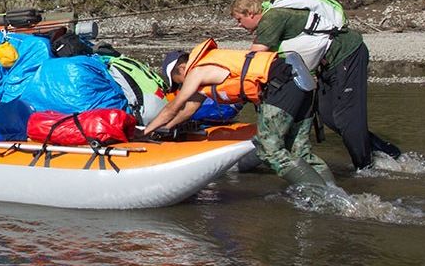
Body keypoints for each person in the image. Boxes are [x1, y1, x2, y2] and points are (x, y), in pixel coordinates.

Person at [231, 0, 401, 170]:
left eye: (239, 19)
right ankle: (387, 151)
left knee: (347, 117)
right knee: (328, 115)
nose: (239, 25)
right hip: (327, 64)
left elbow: (254, 59)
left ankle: (365, 168)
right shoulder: (272, 19)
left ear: (250, 13)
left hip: (347, 54)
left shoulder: (272, 18)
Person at [144, 39, 339, 191]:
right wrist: (167, 128)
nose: (179, 86)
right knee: (299, 150)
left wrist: (146, 132)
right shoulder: (207, 69)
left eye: (177, 82)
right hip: (300, 81)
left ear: (181, 69)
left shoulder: (197, 71)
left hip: (282, 84)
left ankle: (322, 196)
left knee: (269, 149)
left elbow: (174, 107)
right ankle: (335, 193)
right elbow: (189, 109)